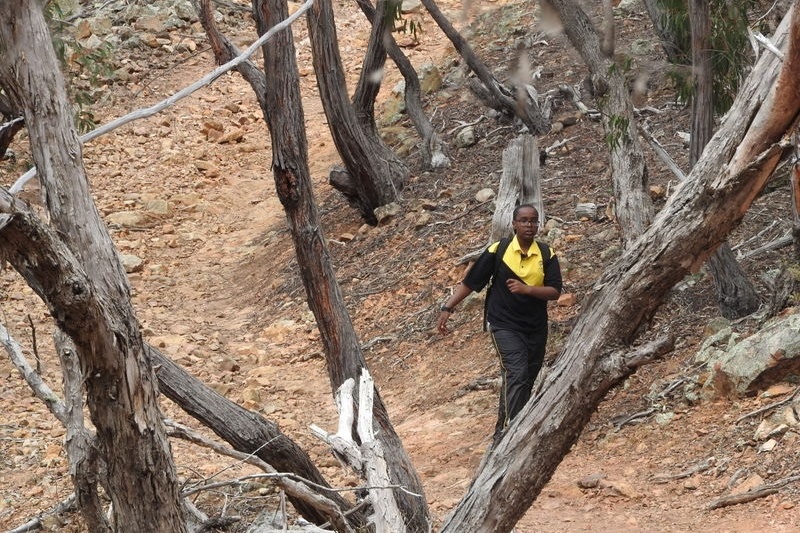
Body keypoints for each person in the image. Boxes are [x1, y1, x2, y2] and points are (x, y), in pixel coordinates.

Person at [437, 204, 562, 446]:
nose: (529, 225)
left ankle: (501, 434)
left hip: (536, 327)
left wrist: (527, 289)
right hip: (504, 324)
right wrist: (447, 307)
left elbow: (555, 291)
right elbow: (471, 282)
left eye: (533, 221)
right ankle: (512, 436)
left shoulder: (547, 254)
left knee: (524, 380)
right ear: (513, 224)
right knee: (517, 373)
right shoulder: (498, 250)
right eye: (523, 221)